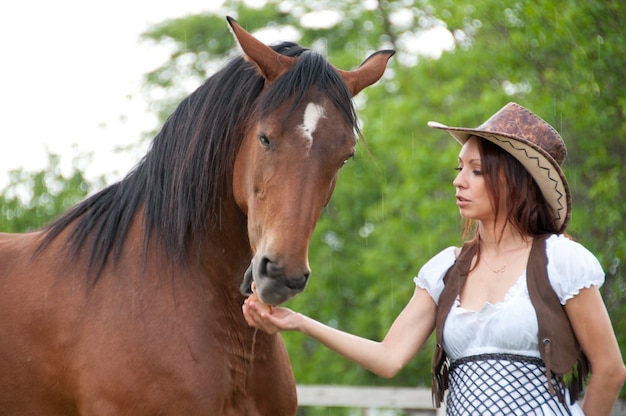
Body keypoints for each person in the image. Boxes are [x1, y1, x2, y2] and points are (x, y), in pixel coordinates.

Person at [242, 102, 626, 415]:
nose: (459, 181)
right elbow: (388, 358)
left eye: (476, 171)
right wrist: (299, 322)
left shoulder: (561, 261)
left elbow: (609, 369)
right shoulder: (446, 269)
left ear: (515, 180)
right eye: (460, 168)